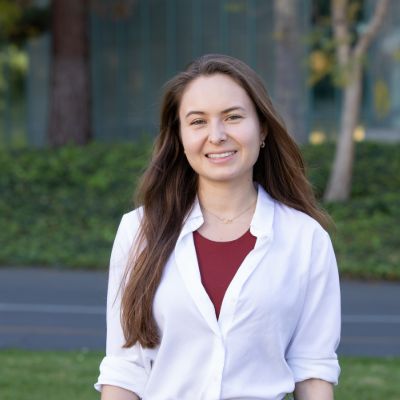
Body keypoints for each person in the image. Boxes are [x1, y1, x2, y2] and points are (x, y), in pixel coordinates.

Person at [94, 54, 341, 400]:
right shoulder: (139, 231)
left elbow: (313, 372)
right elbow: (124, 369)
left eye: (233, 117)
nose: (217, 135)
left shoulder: (306, 239)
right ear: (179, 137)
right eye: (197, 121)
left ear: (263, 128)